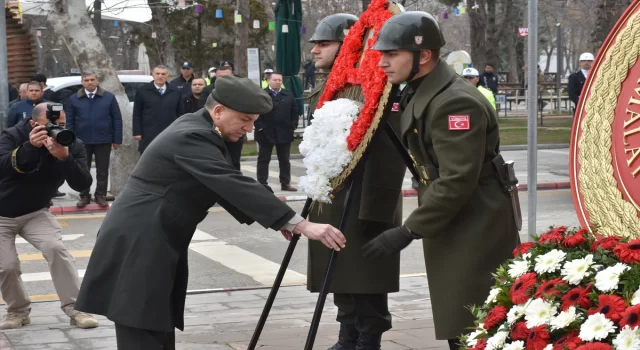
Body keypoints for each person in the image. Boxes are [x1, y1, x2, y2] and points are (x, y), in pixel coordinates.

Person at [74, 76, 347, 349]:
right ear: (218, 111)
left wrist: (282, 223)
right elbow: (228, 181)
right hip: (142, 237)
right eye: (245, 119)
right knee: (141, 324)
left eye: (253, 121)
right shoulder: (193, 135)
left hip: (154, 232)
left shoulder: (202, 129)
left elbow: (222, 185)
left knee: (155, 319)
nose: (250, 128)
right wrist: (299, 223)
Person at [366, 11, 520, 350]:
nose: (383, 63)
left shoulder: (455, 102)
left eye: (392, 54)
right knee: (461, 315)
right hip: (456, 217)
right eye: (382, 55)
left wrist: (407, 230)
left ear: (424, 55)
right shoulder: (421, 90)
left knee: (476, 319)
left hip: (475, 220)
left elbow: (457, 179)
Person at [306, 13, 406, 350]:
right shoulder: (333, 85)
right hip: (336, 194)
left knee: (364, 277)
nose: (315, 51)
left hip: (365, 198)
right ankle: (348, 334)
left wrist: (377, 206)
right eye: (315, 44)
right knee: (338, 275)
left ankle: (367, 338)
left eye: (324, 43)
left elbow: (389, 151)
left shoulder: (381, 89)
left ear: (352, 44)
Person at [0, 102, 98, 330]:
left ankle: (76, 307)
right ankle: (18, 311)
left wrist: (65, 158)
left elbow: (83, 182)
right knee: (7, 266)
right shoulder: (12, 136)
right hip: (1, 214)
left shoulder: (70, 142)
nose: (56, 129)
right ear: (34, 124)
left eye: (61, 124)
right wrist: (29, 148)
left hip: (35, 211)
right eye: (50, 125)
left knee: (56, 249)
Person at [65, 72, 123, 208]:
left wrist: (117, 139)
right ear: (82, 82)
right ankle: (84, 195)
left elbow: (117, 119)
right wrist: (70, 141)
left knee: (102, 170)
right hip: (81, 141)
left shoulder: (108, 97)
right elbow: (70, 122)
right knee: (82, 169)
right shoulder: (74, 99)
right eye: (86, 80)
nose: (90, 82)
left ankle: (100, 195)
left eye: (92, 80)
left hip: (103, 139)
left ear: (97, 81)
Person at [255, 72, 299, 192]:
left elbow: (295, 111)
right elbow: (254, 111)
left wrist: (292, 126)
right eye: (275, 80)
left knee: (284, 159)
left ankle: (285, 183)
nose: (277, 82)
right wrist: (260, 127)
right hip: (265, 132)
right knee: (263, 159)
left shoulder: (288, 94)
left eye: (279, 80)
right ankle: (262, 183)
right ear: (268, 80)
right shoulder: (261, 94)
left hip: (284, 132)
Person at [133, 65, 185, 154]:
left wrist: (180, 130)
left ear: (167, 75)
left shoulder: (175, 91)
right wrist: (137, 132)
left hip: (169, 132)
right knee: (148, 160)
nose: (160, 76)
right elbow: (137, 113)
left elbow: (180, 113)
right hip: (148, 133)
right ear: (153, 75)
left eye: (163, 74)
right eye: (157, 74)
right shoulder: (143, 91)